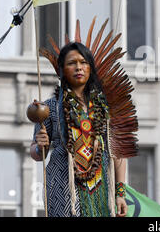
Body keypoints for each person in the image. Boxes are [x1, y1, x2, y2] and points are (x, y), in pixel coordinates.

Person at [31, 42, 128, 217]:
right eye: (71, 63)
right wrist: (40, 146)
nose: (78, 67)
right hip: (63, 185)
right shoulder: (48, 108)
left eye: (83, 62)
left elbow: (118, 152)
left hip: (102, 185)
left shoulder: (106, 107)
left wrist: (120, 193)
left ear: (90, 67)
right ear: (61, 70)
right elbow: (37, 154)